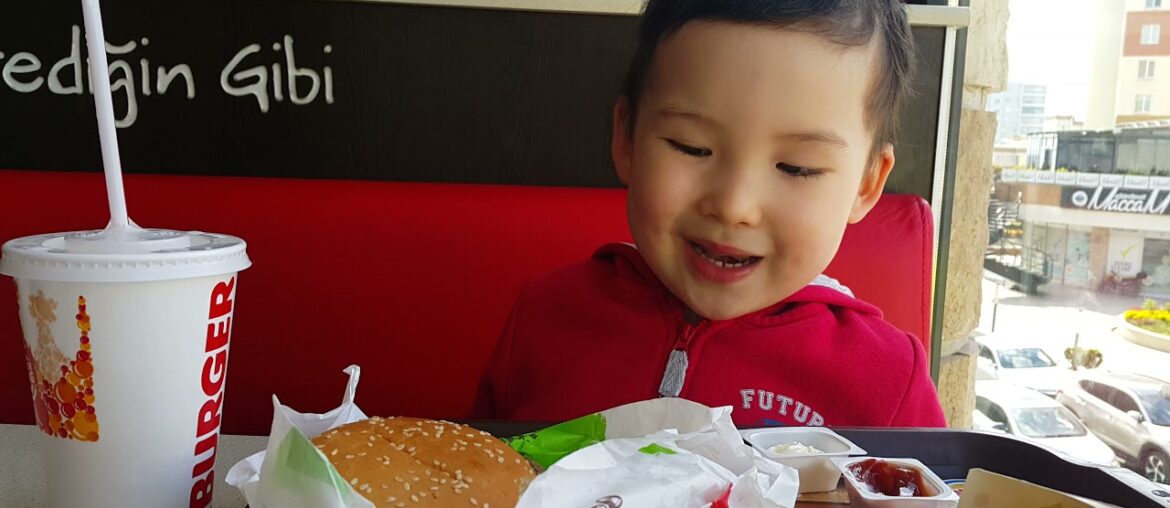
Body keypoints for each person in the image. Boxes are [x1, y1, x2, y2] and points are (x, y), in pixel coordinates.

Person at [475, 0, 947, 427]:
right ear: (627, 139)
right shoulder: (544, 320)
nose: (733, 206)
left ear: (866, 183)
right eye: (692, 147)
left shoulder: (888, 382)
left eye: (796, 168)